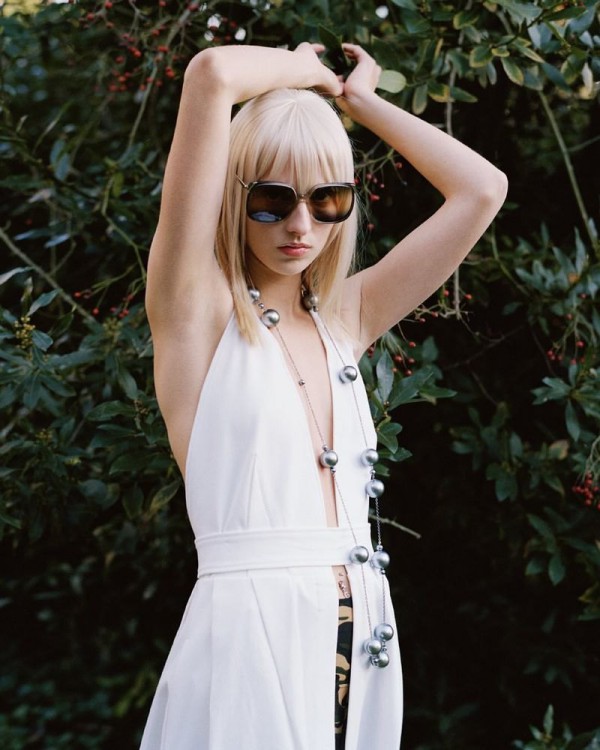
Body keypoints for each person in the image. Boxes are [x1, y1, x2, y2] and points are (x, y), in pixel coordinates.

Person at [141, 41, 507, 750]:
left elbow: (482, 190)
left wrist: (362, 103)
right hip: (250, 636)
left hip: (361, 637)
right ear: (235, 197)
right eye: (272, 200)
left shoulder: (345, 319)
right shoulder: (195, 312)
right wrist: (310, 74)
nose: (300, 225)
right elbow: (213, 75)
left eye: (326, 199)